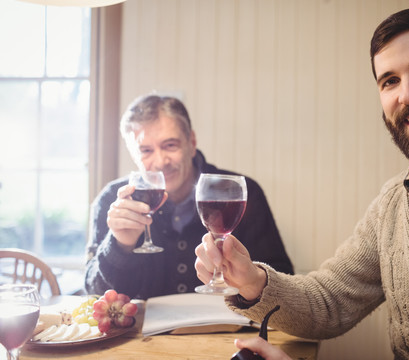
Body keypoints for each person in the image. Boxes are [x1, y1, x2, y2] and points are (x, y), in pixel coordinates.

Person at [195, 7, 409, 359]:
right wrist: (253, 281)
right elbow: (330, 301)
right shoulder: (393, 202)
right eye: (390, 81)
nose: (407, 95)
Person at [85, 95, 294, 300]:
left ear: (191, 143)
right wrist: (119, 245)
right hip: (143, 334)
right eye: (146, 150)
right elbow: (95, 294)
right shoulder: (112, 201)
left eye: (170, 145)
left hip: (228, 331)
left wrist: (248, 279)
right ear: (133, 154)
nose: (161, 161)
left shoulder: (240, 193)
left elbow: (281, 281)